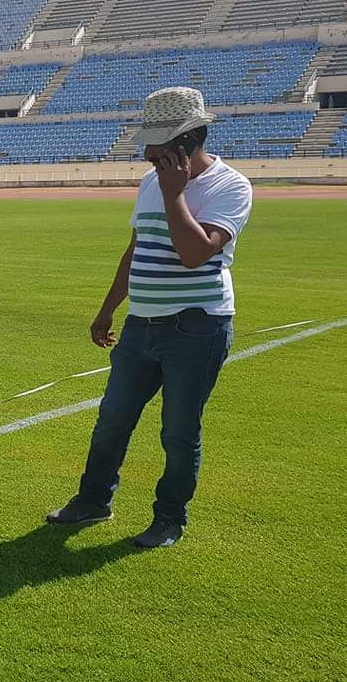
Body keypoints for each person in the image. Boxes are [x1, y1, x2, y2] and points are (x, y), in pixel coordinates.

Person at [47, 87, 252, 548]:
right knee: (112, 420)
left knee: (179, 432)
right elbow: (137, 249)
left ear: (187, 141)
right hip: (141, 325)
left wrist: (175, 193)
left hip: (197, 327)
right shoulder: (150, 180)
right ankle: (94, 500)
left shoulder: (231, 186)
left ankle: (169, 519)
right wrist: (108, 308)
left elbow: (196, 252)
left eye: (157, 143)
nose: (146, 151)